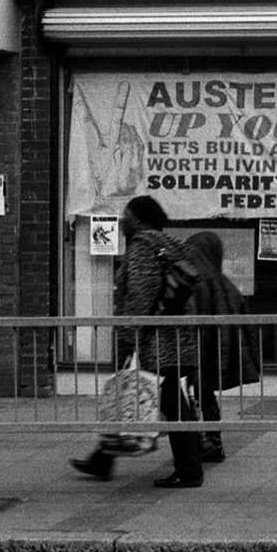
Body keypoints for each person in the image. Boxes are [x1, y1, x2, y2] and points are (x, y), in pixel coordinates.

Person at [71, 195, 206, 487]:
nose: (121, 221)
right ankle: (102, 460)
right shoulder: (169, 246)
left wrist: (127, 338)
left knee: (169, 405)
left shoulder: (144, 248)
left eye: (126, 215)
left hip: (154, 342)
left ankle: (190, 470)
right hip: (171, 338)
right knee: (141, 396)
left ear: (140, 220)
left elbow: (140, 297)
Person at [186, 231, 261, 464]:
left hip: (201, 348)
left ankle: (203, 442)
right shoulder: (222, 281)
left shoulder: (201, 282)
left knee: (193, 394)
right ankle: (210, 441)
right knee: (203, 393)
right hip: (214, 348)